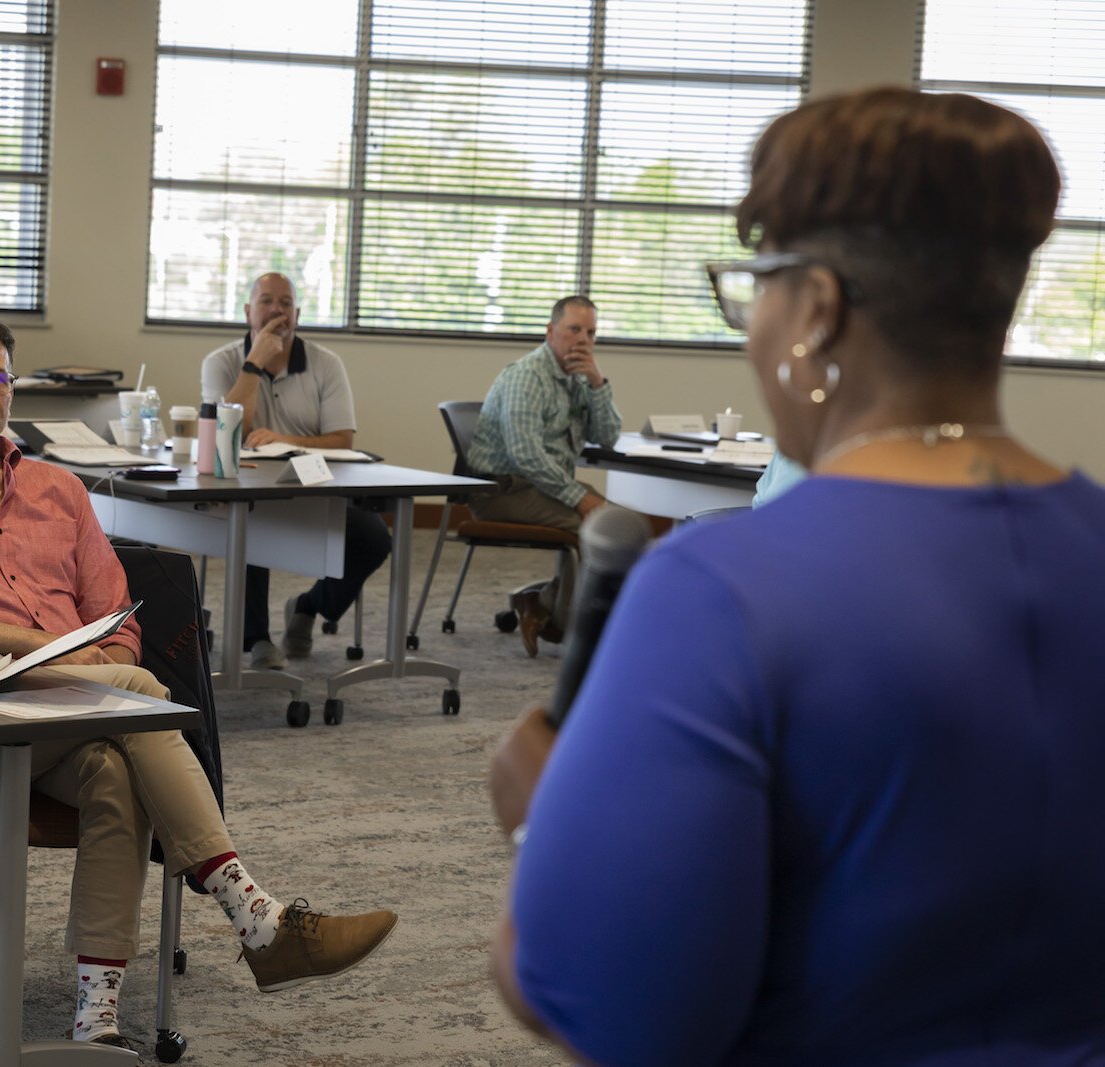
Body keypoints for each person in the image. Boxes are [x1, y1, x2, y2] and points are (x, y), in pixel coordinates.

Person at [489, 87, 1105, 1066]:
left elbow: (621, 1015)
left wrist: (542, 824)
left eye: (755, 285)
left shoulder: (717, 591)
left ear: (814, 308)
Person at [0, 305, 397, 1051]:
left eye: (0, 376)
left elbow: (119, 619)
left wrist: (82, 664)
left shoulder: (58, 490)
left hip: (71, 721)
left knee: (113, 769)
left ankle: (95, 1019)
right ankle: (254, 913)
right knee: (138, 692)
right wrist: (40, 648)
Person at [199, 272, 390, 669]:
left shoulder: (325, 364)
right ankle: (257, 641)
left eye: (285, 303)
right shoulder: (220, 363)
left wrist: (285, 441)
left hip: (315, 488)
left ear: (297, 314)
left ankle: (308, 605)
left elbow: (342, 439)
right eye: (267, 301)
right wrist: (253, 365)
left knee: (374, 538)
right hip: (245, 491)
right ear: (248, 311)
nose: (277, 311)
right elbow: (222, 433)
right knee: (248, 521)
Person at [467, 296, 622, 657]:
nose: (583, 340)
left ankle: (547, 607)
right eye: (574, 330)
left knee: (616, 525)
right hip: (503, 490)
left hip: (542, 486)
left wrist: (598, 382)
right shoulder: (527, 376)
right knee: (598, 529)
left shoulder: (579, 379)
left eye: (591, 333)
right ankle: (578, 631)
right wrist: (581, 499)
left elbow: (609, 436)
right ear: (551, 331)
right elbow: (526, 457)